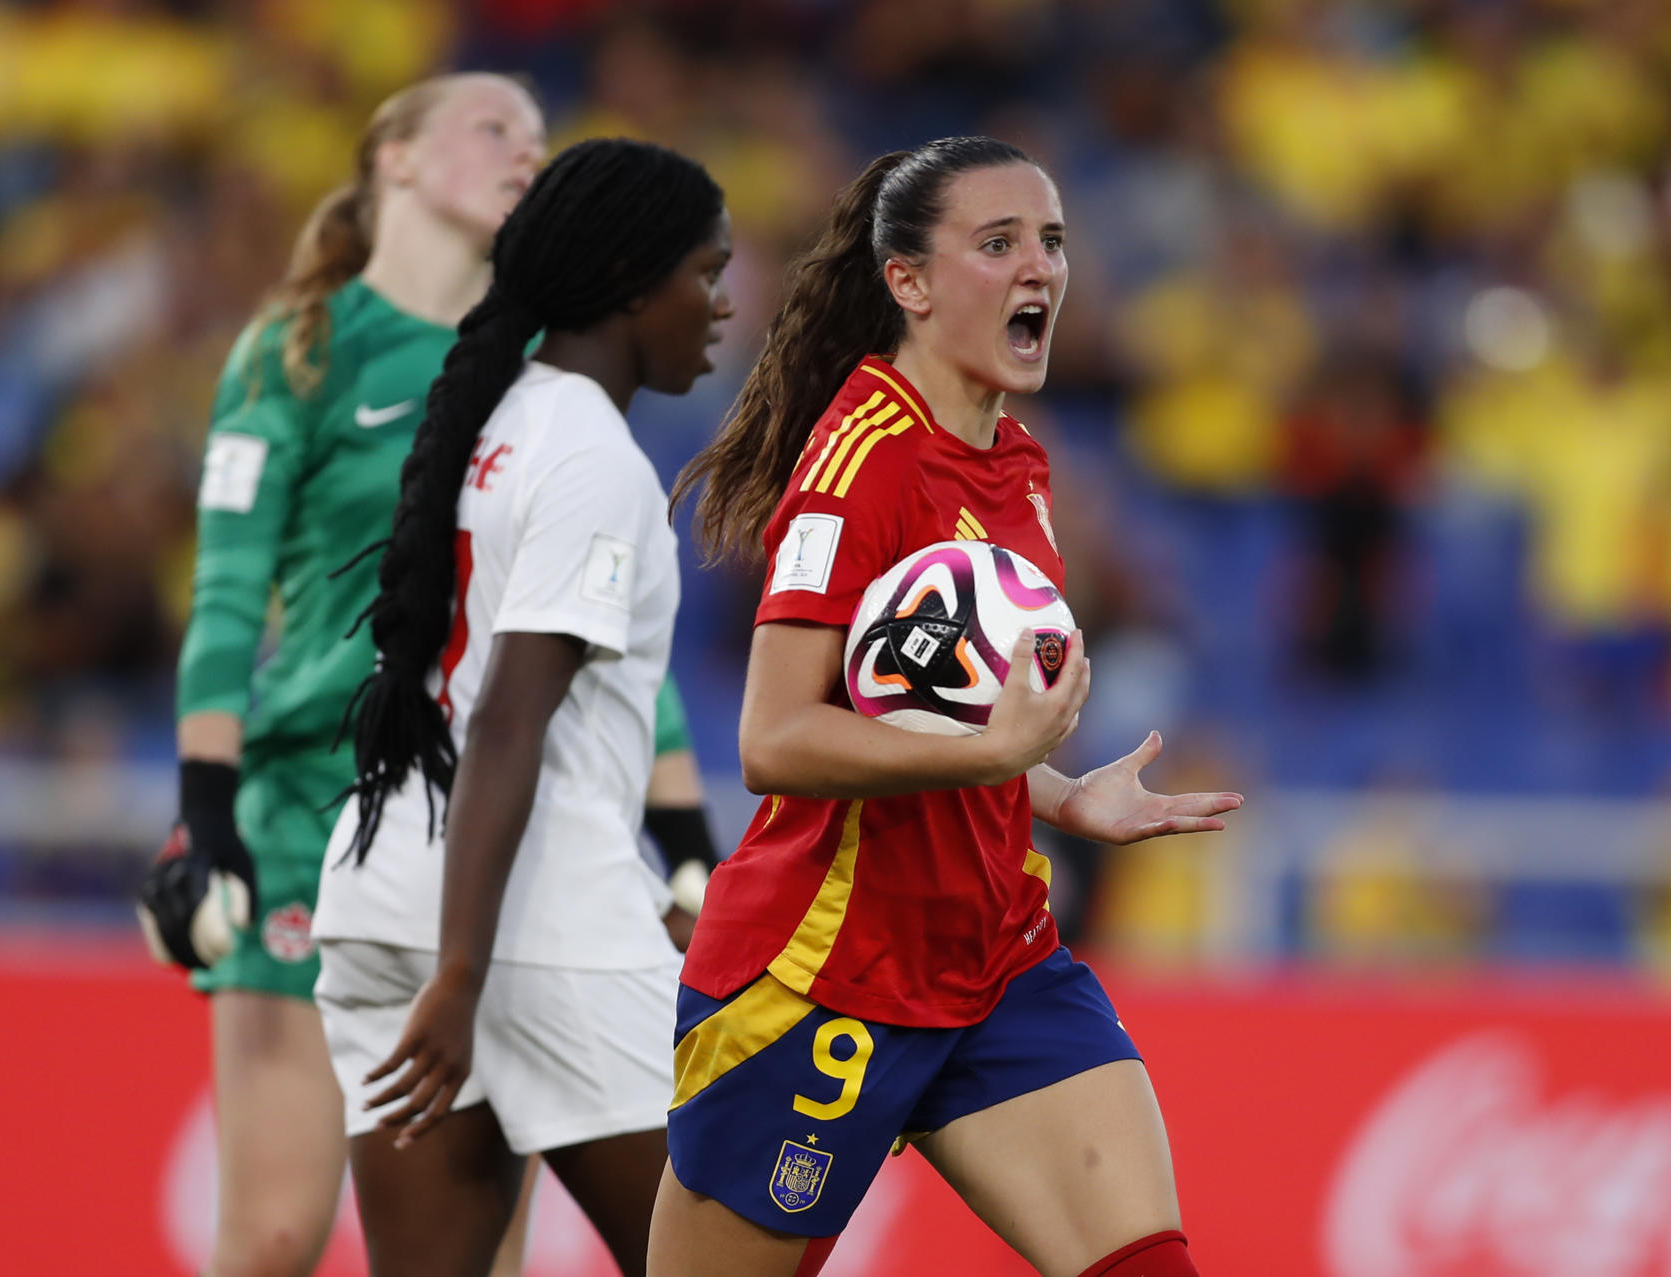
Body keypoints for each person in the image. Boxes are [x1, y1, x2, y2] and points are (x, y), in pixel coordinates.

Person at [653, 138, 1243, 1277]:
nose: (1042, 268)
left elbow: (943, 717)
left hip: (998, 961)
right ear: (909, 283)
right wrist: (996, 754)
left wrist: (1059, 789)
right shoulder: (858, 464)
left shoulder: (1017, 460)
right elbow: (774, 739)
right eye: (999, 243)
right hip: (827, 982)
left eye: (1053, 241)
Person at [137, 73, 551, 1277]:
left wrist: (670, 812)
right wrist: (203, 814)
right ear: (400, 162)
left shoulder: (548, 371)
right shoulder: (298, 347)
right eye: (493, 129)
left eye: (539, 136)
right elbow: (225, 596)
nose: (528, 151)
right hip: (309, 811)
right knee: (272, 1236)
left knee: (467, 1258)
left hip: (487, 831)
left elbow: (598, 605)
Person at [310, 137, 732, 1277]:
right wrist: (465, 971)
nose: (723, 302)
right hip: (517, 920)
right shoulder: (593, 458)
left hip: (384, 888)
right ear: (635, 283)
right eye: (706, 270)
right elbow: (509, 716)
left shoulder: (486, 421)